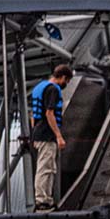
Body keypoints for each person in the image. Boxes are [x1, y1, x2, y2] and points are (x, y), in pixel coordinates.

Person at [31, 64, 73, 210]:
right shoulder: (53, 90)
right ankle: (42, 200)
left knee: (49, 167)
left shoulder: (39, 87)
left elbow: (34, 114)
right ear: (62, 77)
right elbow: (49, 113)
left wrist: (33, 132)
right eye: (66, 81)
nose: (66, 85)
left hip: (39, 133)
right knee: (45, 168)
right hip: (46, 135)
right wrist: (58, 136)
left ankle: (46, 199)